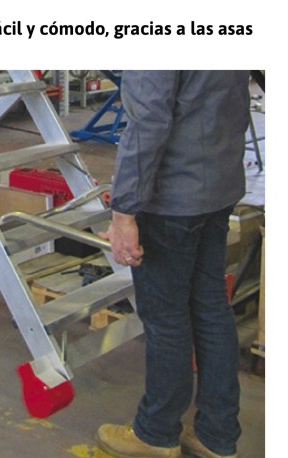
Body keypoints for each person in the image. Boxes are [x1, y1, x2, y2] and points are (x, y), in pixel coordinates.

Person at [97, 71, 251, 458]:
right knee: (211, 308)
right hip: (218, 184)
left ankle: (156, 432)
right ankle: (217, 435)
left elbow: (147, 121)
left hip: (173, 198)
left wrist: (124, 212)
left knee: (167, 319)